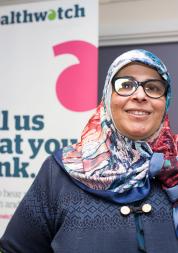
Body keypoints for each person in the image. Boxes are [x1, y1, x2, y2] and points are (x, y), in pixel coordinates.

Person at [0, 49, 178, 253]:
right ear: (107, 97)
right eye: (126, 85)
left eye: (153, 88)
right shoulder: (59, 171)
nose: (139, 95)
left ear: (166, 101)